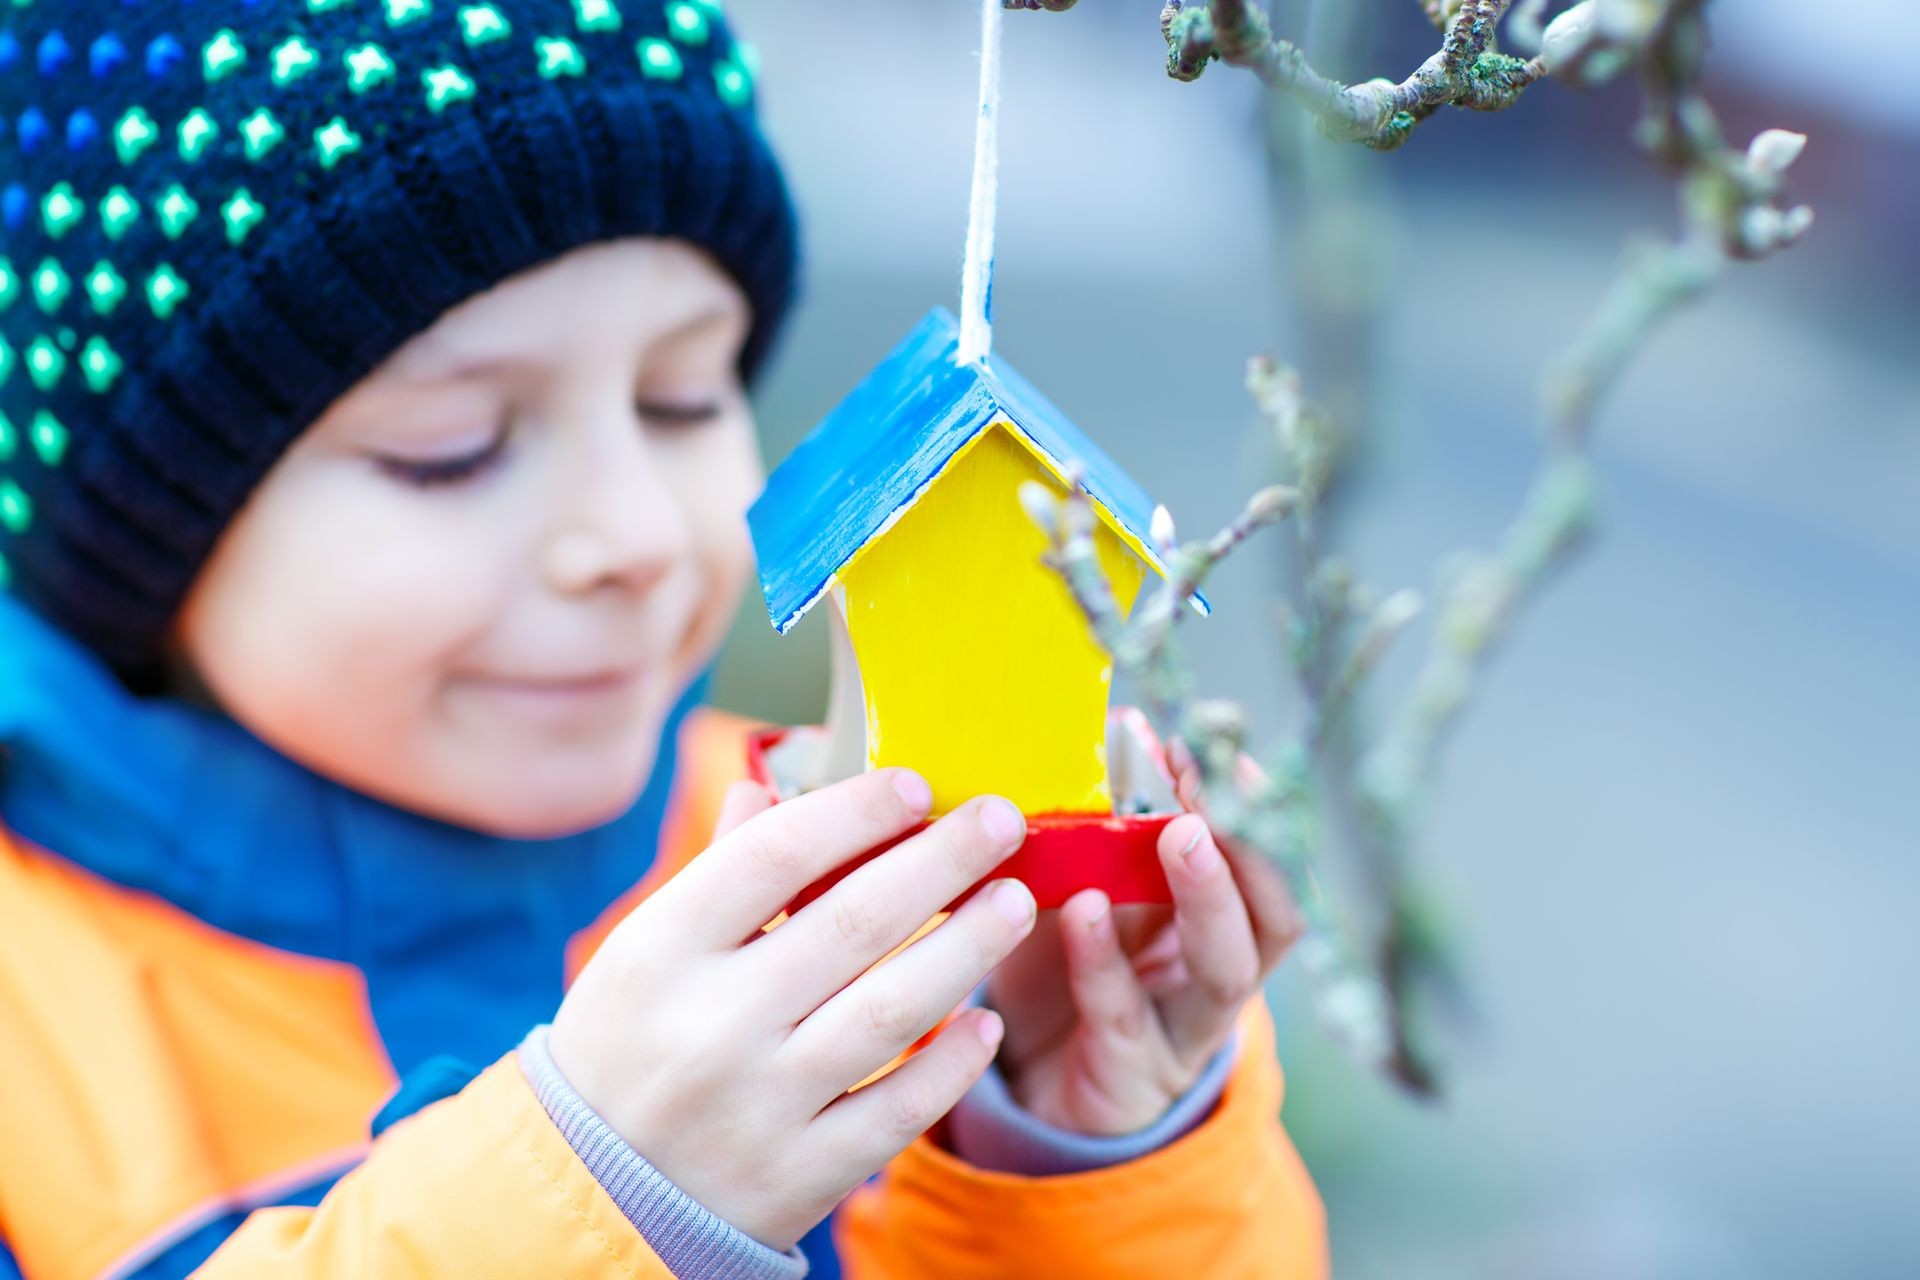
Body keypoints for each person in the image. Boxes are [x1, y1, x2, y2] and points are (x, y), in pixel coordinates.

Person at [0, 2, 1329, 1276]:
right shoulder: (38, 1044)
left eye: (684, 399)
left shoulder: (814, 857)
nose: (635, 532)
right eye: (450, 453)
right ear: (144, 522)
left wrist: (1065, 1155)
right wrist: (590, 1215)